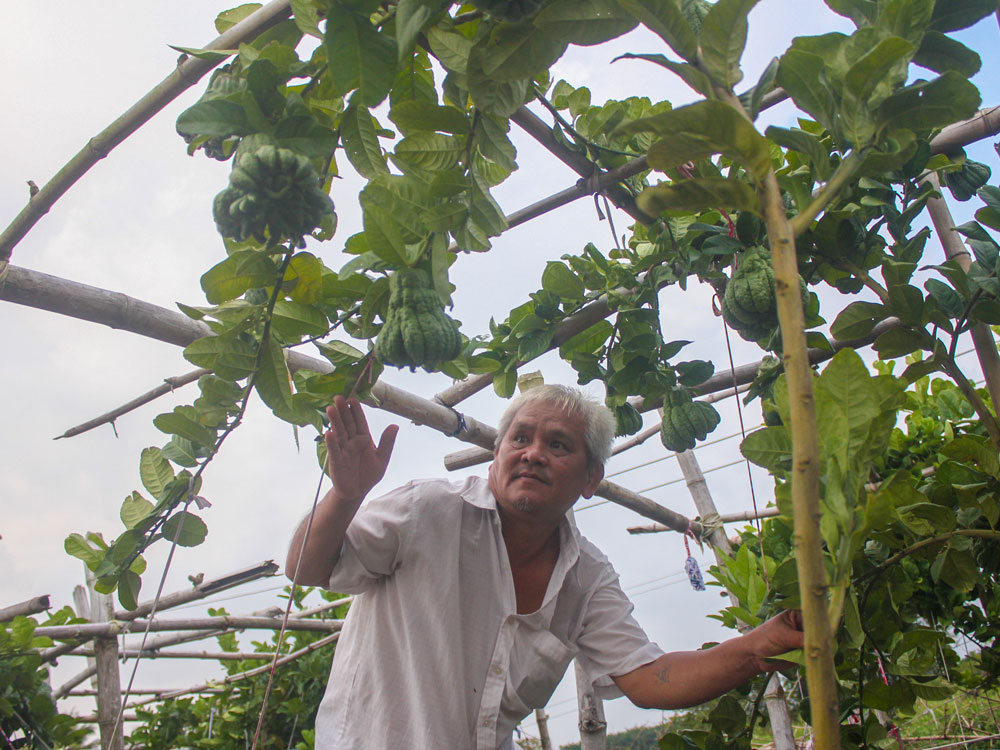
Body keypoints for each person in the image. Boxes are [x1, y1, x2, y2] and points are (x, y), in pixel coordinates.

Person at [286, 386, 804, 750]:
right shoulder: (425, 512)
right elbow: (306, 568)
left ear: (590, 478)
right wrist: (345, 495)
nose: (533, 454)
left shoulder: (586, 578)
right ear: (495, 457)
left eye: (557, 445)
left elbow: (650, 679)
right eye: (520, 439)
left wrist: (756, 647)